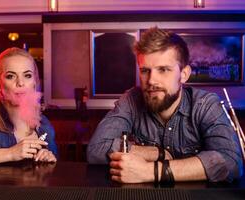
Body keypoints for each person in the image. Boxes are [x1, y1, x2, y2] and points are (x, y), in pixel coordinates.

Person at [87, 27, 243, 183]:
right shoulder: (131, 100)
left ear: (184, 74)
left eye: (163, 70)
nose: (151, 80)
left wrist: (150, 171)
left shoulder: (205, 104)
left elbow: (231, 162)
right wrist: (157, 153)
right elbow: (95, 150)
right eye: (145, 70)